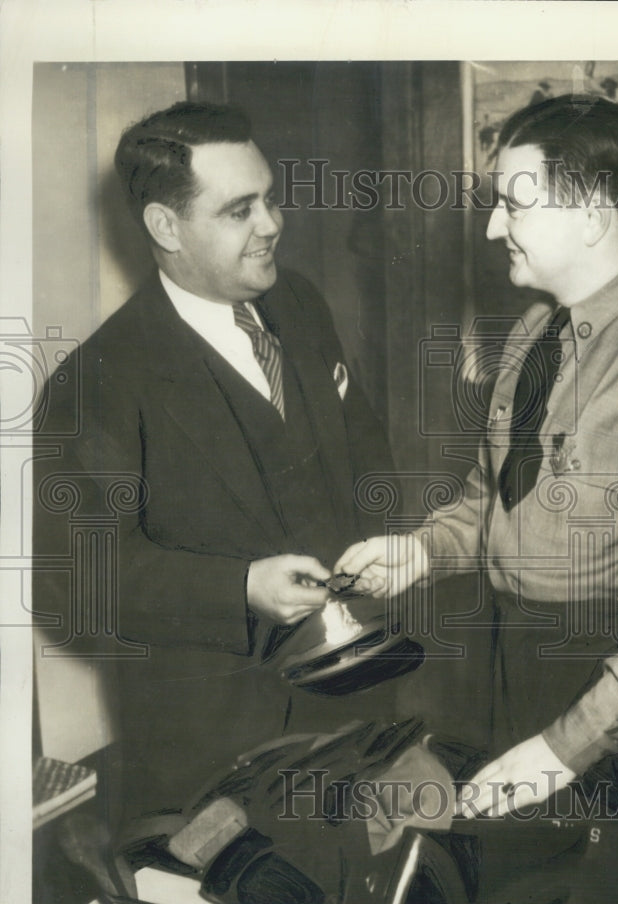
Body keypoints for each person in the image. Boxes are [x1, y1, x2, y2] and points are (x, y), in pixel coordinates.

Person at [337, 95, 618, 904]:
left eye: (513, 202)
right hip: (516, 657)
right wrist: (421, 551)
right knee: (527, 896)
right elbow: (490, 498)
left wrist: (566, 746)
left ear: (593, 213)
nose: (494, 227)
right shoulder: (533, 334)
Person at [33, 101, 391, 834]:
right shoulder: (97, 380)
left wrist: (385, 543)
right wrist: (239, 588)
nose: (272, 224)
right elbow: (77, 581)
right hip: (215, 747)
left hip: (356, 697)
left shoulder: (299, 303)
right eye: (240, 209)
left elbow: (365, 453)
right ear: (166, 227)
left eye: (270, 197)